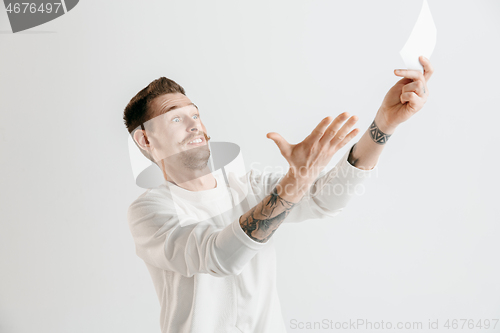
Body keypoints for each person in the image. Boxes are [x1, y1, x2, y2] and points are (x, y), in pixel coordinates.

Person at [122, 56, 434, 333]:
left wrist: (384, 123)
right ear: (146, 140)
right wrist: (297, 179)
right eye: (176, 118)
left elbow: (327, 198)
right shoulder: (149, 211)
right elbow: (219, 256)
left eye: (196, 114)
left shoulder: (248, 185)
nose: (195, 126)